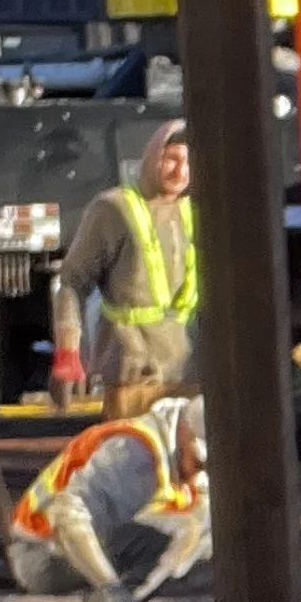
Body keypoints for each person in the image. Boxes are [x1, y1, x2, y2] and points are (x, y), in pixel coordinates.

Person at [9, 393, 209, 602]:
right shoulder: (134, 451)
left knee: (206, 524)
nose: (200, 475)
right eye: (200, 463)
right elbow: (68, 514)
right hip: (43, 555)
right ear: (183, 431)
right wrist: (111, 589)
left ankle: (141, 601)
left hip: (89, 545)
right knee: (185, 529)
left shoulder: (177, 455)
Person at [50, 118, 194, 415]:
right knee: (132, 458)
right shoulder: (114, 209)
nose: (180, 171)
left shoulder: (193, 210)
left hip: (188, 372)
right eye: (172, 159)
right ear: (154, 156)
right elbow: (73, 282)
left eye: (189, 162)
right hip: (134, 373)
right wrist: (68, 353)